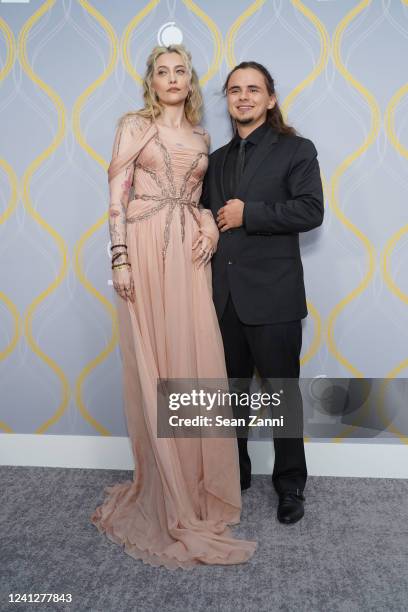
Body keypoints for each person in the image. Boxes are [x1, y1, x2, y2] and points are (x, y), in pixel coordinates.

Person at [90, 45, 256, 569]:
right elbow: (116, 196)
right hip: (141, 244)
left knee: (194, 360)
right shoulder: (133, 127)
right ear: (152, 82)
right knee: (155, 360)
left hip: (188, 252)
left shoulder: (204, 136)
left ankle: (196, 483)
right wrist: (119, 257)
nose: (172, 79)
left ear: (190, 80)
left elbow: (203, 198)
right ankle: (164, 486)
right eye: (162, 72)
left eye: (180, 71)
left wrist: (208, 224)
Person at [202, 61, 324, 524]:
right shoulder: (215, 161)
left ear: (270, 98)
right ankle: (234, 476)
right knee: (232, 396)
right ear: (228, 100)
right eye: (235, 90)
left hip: (274, 298)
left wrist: (248, 214)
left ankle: (291, 485)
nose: (244, 97)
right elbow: (202, 219)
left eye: (254, 89)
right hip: (223, 298)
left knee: (282, 398)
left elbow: (311, 210)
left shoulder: (297, 150)